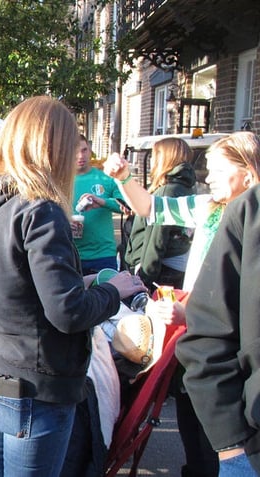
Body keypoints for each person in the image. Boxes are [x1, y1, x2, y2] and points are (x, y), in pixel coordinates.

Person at [0, 96, 147, 477]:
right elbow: (68, 314)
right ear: (53, 145)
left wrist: (81, 282)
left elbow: (0, 285)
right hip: (30, 381)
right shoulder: (39, 209)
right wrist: (113, 291)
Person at [103, 131, 260, 477]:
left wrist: (191, 314)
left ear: (247, 174)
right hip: (199, 346)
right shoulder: (208, 208)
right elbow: (149, 208)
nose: (209, 178)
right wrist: (123, 177)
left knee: (226, 446)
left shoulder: (253, 224)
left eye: (219, 170)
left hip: (234, 356)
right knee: (195, 434)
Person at [177, 184, 260, 476]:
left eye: (218, 169)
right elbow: (209, 333)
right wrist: (231, 443)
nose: (209, 178)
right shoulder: (249, 211)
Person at [124, 137, 195, 291]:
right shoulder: (187, 188)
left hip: (159, 272)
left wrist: (143, 281)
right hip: (177, 267)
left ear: (164, 159)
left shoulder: (166, 192)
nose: (152, 162)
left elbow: (156, 240)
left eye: (155, 156)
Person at [73, 135, 127, 274]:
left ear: (90, 150)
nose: (80, 156)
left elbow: (126, 205)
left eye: (84, 150)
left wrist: (102, 202)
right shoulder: (59, 181)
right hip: (72, 254)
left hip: (103, 255)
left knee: (108, 293)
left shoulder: (105, 178)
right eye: (75, 151)